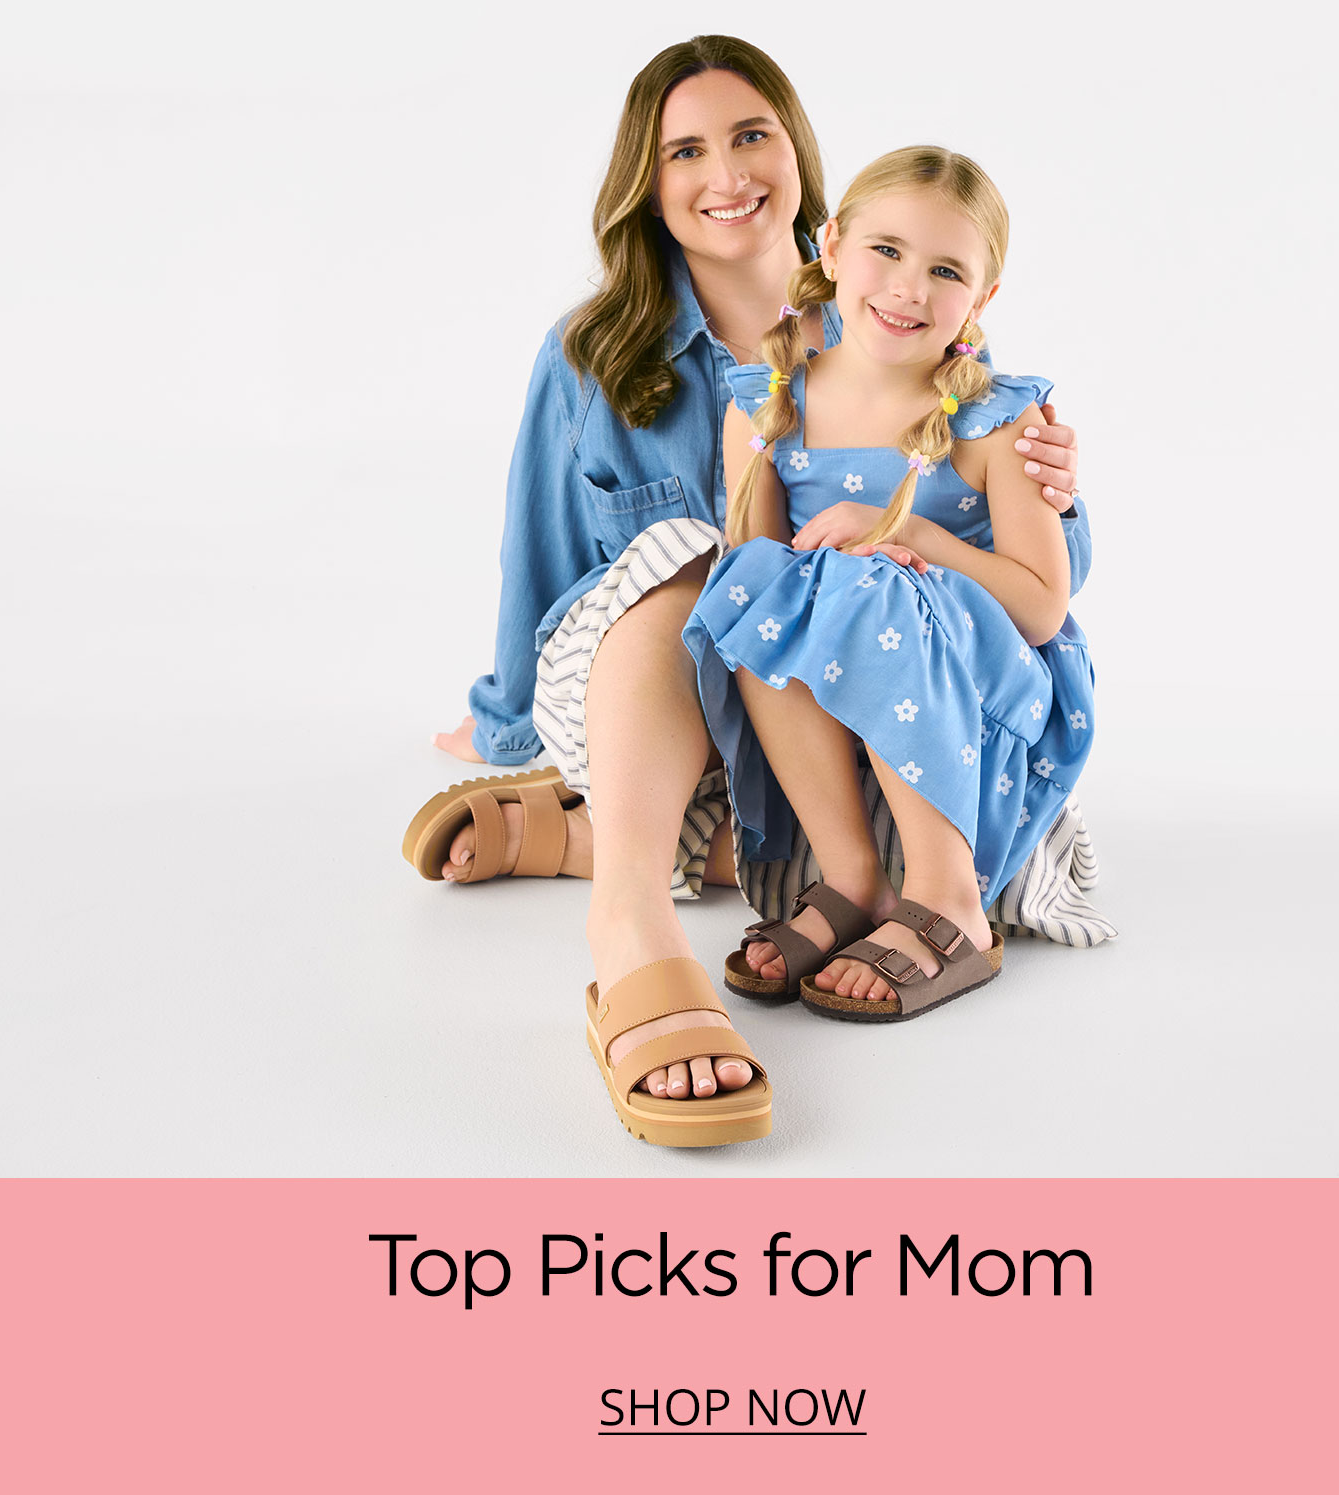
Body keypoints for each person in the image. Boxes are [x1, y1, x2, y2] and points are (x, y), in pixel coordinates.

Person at [401, 38, 1086, 1144]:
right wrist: (507, 718)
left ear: (804, 163)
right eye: (686, 152)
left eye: (752, 136)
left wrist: (1053, 486)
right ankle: (628, 920)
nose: (727, 174)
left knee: (971, 843)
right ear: (648, 183)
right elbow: (538, 547)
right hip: (654, 675)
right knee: (706, 556)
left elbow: (1009, 568)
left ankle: (580, 837)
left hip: (824, 713)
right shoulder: (595, 354)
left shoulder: (913, 317)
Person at [685, 145, 1094, 1021]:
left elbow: (1040, 607)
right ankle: (853, 878)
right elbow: (757, 583)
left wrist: (909, 534)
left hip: (987, 675)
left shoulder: (997, 419)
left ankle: (950, 900)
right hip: (849, 660)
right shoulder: (768, 403)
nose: (909, 288)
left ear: (980, 301)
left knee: (873, 588)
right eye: (887, 251)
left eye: (946, 270)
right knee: (755, 585)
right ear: (830, 249)